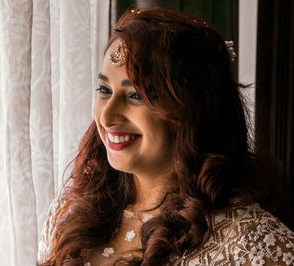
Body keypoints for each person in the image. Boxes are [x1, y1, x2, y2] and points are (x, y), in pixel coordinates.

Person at [37, 7, 294, 265]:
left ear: (192, 108)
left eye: (136, 96)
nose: (106, 117)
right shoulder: (68, 214)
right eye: (104, 90)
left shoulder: (250, 243)